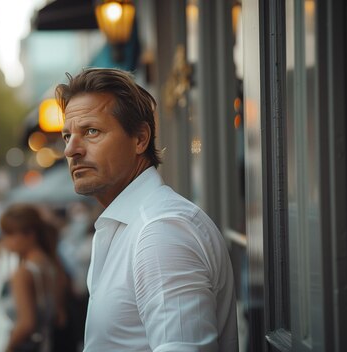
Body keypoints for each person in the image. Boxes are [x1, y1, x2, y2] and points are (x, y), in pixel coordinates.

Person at [56, 68, 238, 351]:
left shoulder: (161, 231)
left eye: (91, 131)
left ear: (140, 138)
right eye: (67, 136)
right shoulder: (129, 226)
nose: (71, 150)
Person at [0, 204, 68, 352]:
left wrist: (9, 347)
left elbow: (26, 324)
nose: (5, 240)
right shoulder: (52, 262)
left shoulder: (24, 273)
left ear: (30, 234)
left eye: (10, 233)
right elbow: (59, 315)